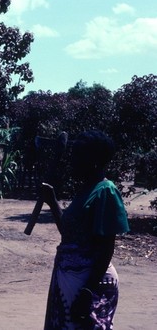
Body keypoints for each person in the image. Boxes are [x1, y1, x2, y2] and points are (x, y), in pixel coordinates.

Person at [41, 130, 129, 329]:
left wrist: (88, 291)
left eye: (78, 155)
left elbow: (106, 247)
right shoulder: (86, 191)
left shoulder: (105, 191)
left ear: (94, 160)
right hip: (69, 278)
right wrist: (52, 201)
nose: (72, 160)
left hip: (89, 283)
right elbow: (68, 234)